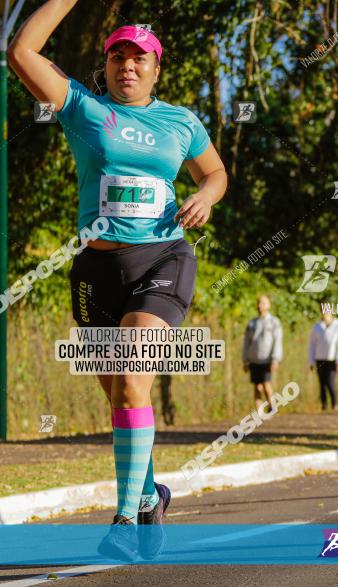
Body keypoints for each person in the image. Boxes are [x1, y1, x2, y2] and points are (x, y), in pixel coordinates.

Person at [9, 0, 227, 561]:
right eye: (118, 57)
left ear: (157, 68)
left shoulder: (181, 120)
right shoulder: (80, 108)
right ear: (105, 67)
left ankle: (126, 520)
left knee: (132, 377)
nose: (127, 66)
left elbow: (216, 171)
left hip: (162, 260)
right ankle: (151, 494)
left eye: (139, 58)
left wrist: (205, 194)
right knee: (119, 393)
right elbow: (21, 52)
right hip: (95, 271)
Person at [242, 295, 283, 409]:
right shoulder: (252, 323)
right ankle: (259, 411)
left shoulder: (274, 322)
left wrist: (275, 359)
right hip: (254, 359)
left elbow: (277, 341)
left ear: (269, 305)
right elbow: (246, 342)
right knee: (256, 386)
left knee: (266, 384)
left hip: (267, 359)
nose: (260, 306)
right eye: (259, 303)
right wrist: (245, 360)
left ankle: (272, 405)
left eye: (263, 303)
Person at [309, 307, 338, 410]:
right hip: (319, 358)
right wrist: (311, 361)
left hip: (332, 359)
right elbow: (312, 345)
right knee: (322, 383)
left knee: (330, 382)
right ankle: (324, 405)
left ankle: (335, 404)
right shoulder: (316, 327)